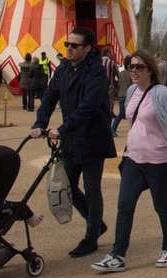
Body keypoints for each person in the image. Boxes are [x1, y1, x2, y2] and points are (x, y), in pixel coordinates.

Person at [92, 51, 167, 273]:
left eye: (138, 67)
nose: (133, 71)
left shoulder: (163, 94)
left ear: (150, 70)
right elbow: (134, 122)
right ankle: (117, 254)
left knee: (161, 205)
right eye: (131, 66)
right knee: (124, 205)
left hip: (159, 160)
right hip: (133, 158)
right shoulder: (133, 91)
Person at [30, 27, 116, 258]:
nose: (68, 48)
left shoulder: (96, 72)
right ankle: (95, 223)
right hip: (71, 138)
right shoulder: (64, 68)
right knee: (66, 186)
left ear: (87, 48)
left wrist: (62, 128)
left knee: (92, 188)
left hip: (92, 138)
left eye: (74, 45)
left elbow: (88, 106)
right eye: (67, 44)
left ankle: (91, 238)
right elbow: (49, 97)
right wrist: (40, 122)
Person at [111, 55, 133, 137]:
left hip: (121, 95)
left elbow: (118, 84)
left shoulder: (121, 73)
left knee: (121, 114)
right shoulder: (132, 74)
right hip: (128, 96)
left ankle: (113, 129)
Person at [101, 46, 120, 114]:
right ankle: (109, 113)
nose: (112, 54)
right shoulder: (112, 62)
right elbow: (118, 74)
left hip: (99, 86)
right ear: (108, 53)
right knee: (110, 100)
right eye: (111, 52)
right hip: (110, 86)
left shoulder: (98, 61)